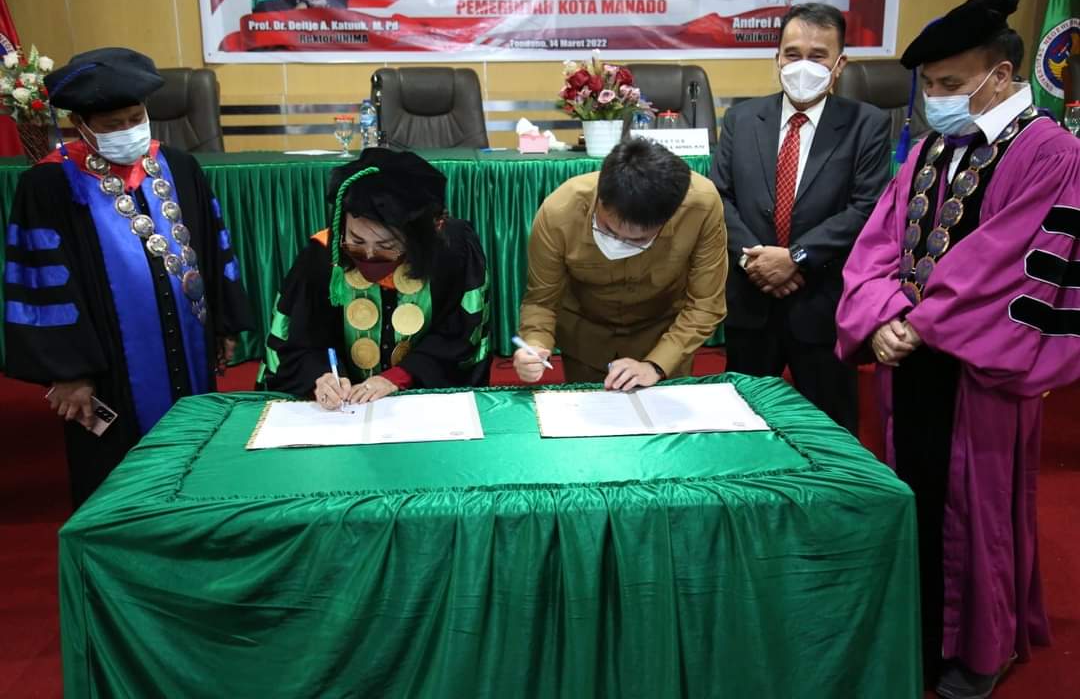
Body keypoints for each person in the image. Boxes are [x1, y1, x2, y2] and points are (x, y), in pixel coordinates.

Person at [835, 0, 1080, 698]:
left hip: (980, 370)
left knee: (977, 511)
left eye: (949, 84)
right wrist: (881, 314)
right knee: (914, 497)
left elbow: (1009, 260)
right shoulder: (934, 146)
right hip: (909, 360)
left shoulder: (1050, 152)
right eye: (930, 86)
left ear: (999, 77)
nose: (934, 99)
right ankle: (918, 630)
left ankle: (980, 647)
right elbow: (879, 241)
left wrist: (920, 324)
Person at [3, 48, 253, 508]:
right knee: (118, 479)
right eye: (111, 124)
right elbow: (42, 284)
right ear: (80, 123)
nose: (128, 131)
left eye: (135, 118)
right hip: (109, 368)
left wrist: (222, 325)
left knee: (196, 455)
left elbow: (211, 250)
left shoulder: (178, 166)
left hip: (189, 351)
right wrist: (69, 373)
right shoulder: (51, 186)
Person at [710, 2, 891, 435]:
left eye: (817, 56)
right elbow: (719, 198)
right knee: (743, 425)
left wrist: (795, 258)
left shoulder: (867, 124)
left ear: (840, 64)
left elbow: (867, 207)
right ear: (776, 58)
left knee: (830, 432)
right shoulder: (740, 119)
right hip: (751, 301)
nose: (802, 66)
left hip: (822, 304)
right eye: (792, 54)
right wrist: (755, 261)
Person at [260, 148, 490, 405]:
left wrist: (399, 377)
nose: (368, 255)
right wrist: (321, 376)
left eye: (386, 246)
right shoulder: (324, 257)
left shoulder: (452, 252)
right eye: (356, 241)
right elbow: (301, 341)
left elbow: (457, 336)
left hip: (419, 400)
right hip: (347, 407)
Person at [515, 138, 726, 389]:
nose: (620, 243)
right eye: (608, 231)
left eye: (639, 241)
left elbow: (706, 304)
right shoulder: (559, 212)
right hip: (586, 339)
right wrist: (535, 346)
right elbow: (541, 301)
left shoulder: (701, 206)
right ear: (600, 198)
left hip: (666, 336)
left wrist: (656, 365)